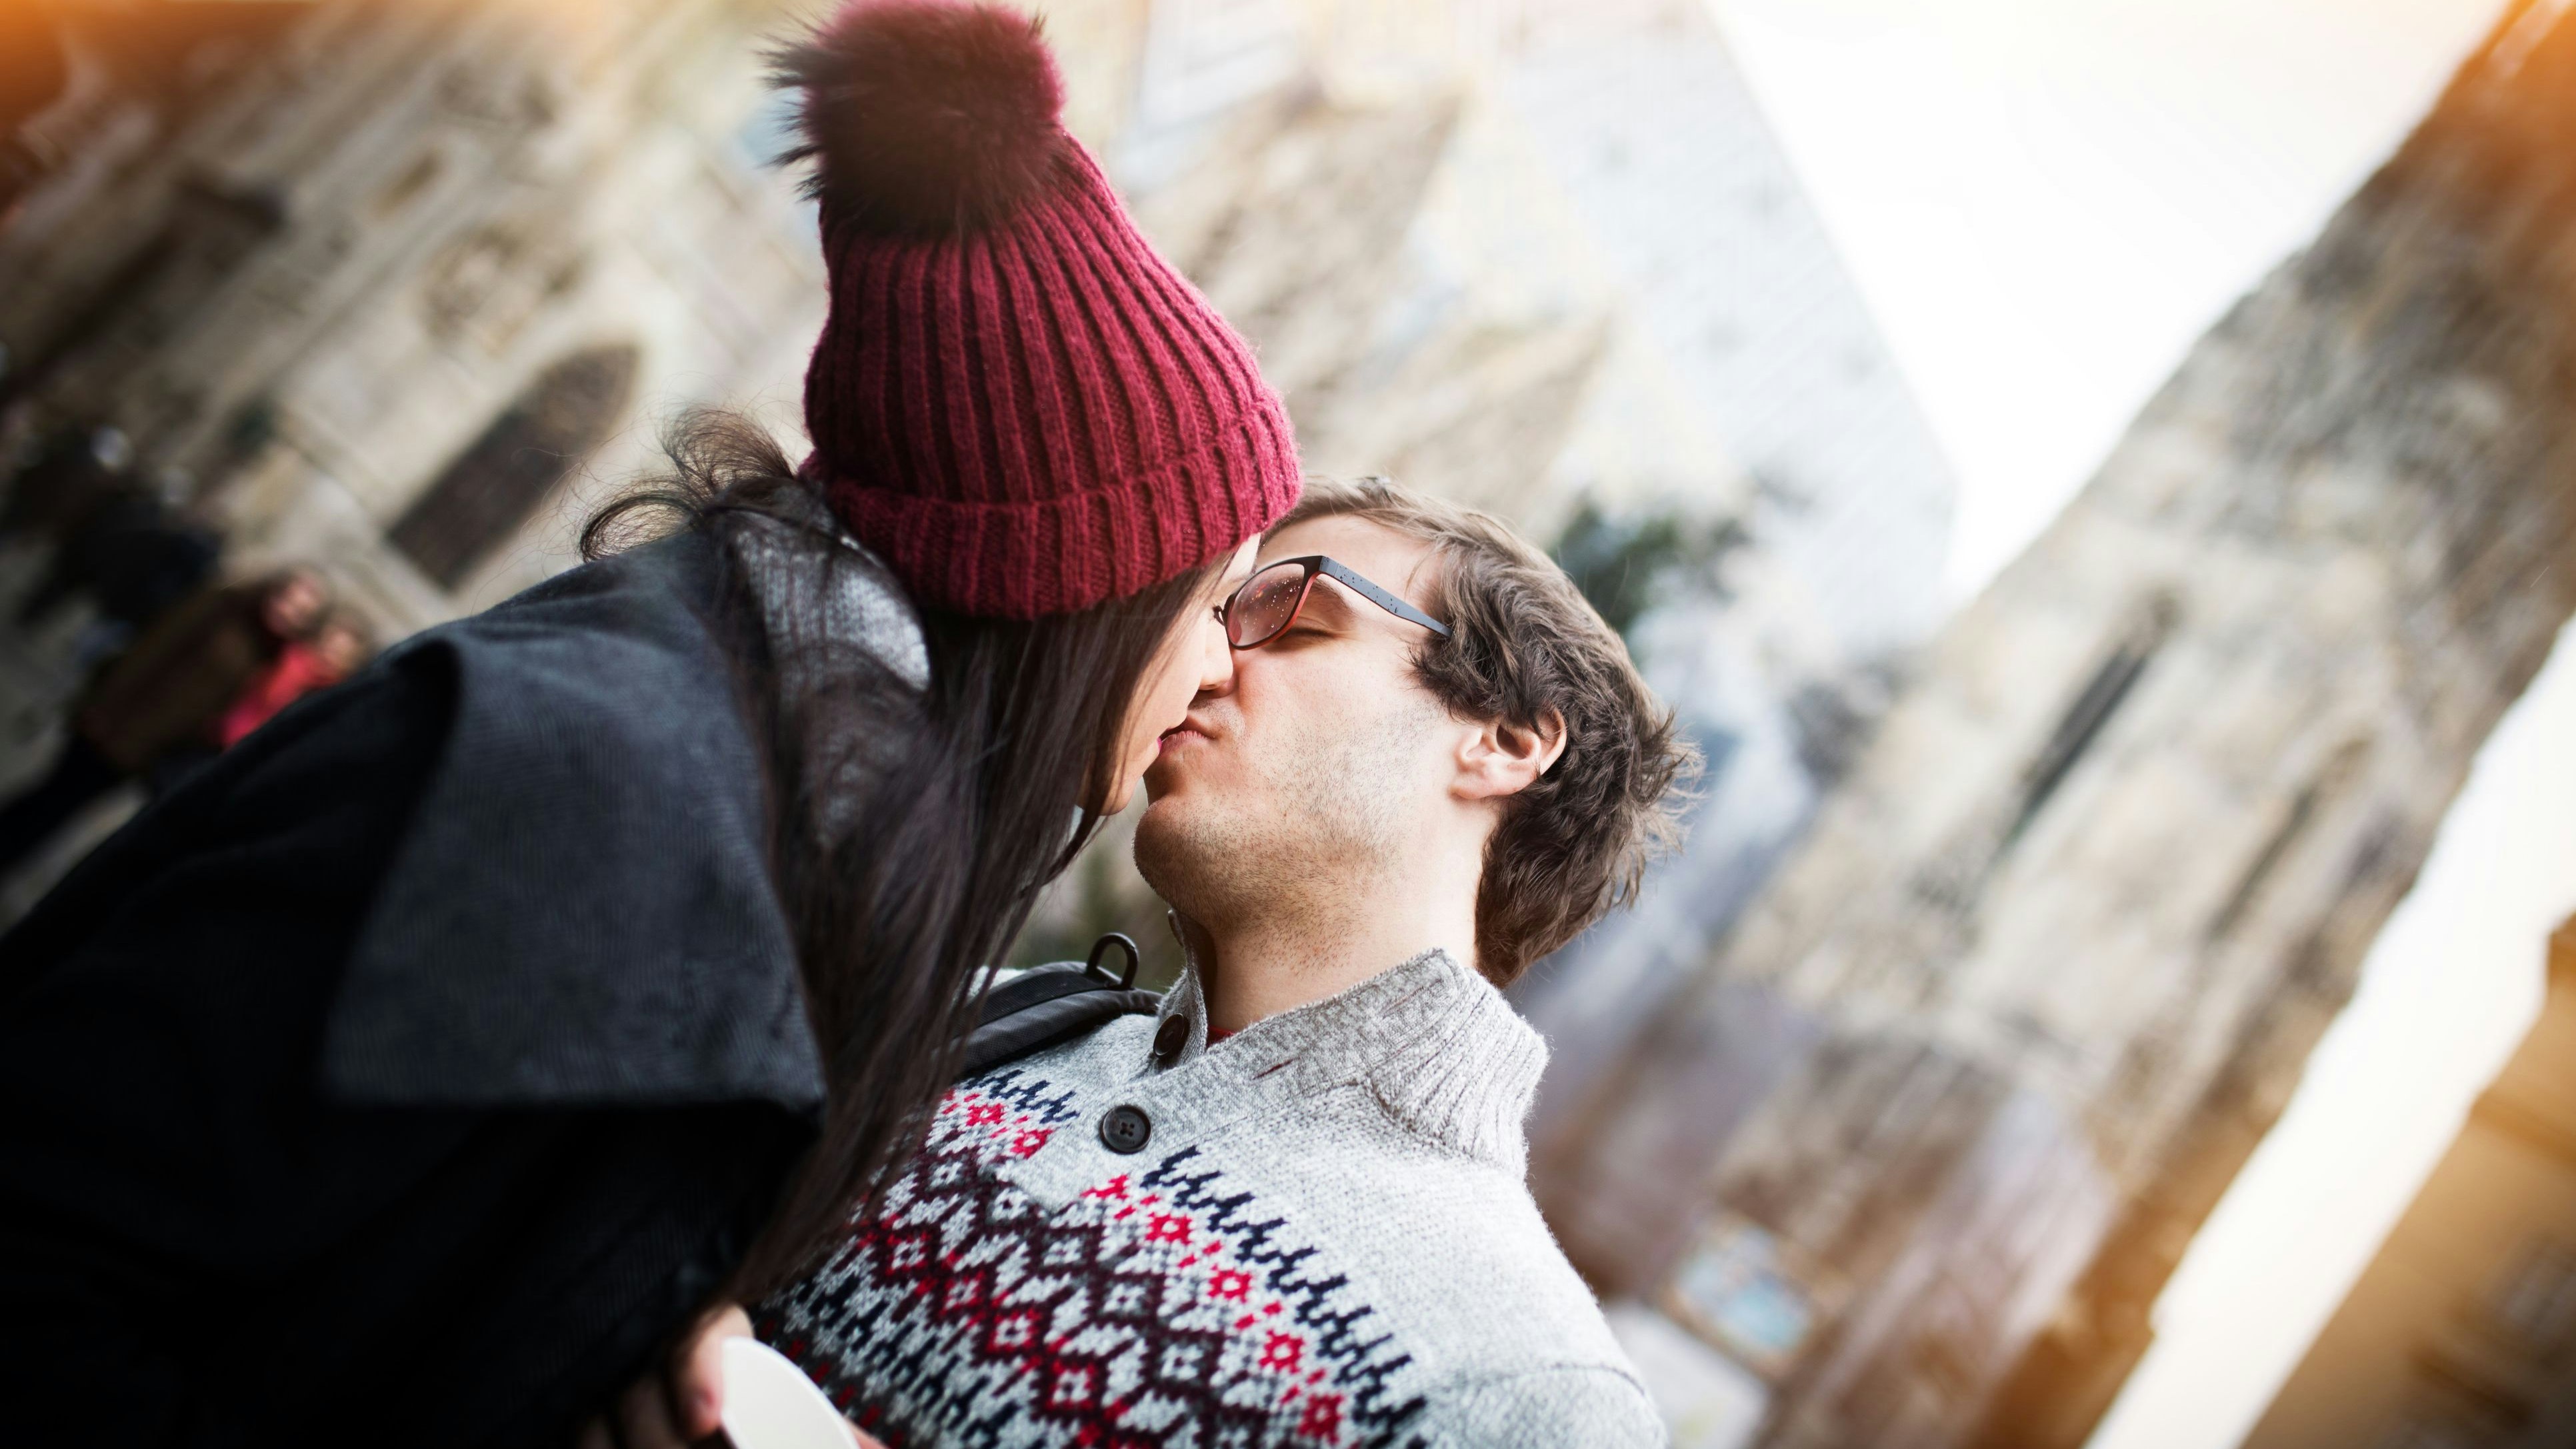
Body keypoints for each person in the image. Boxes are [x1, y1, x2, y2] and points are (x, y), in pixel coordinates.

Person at [0, 3, 1302, 1445]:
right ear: (1068, 593)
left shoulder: (769, 811)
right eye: (1219, 599)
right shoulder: (607, 785)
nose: (1223, 665)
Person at [758, 477, 1699, 1444]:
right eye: (1209, 618)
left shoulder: (1529, 1391)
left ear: (1507, 739)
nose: (1200, 667)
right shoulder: (962, 1019)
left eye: (1292, 621)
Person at [0, 567, 325, 877]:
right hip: (116, 725)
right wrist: (106, 707)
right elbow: (153, 650)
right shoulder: (224, 607)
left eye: (301, 613)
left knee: (60, 812)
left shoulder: (269, 656)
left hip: (144, 754)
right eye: (289, 600)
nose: (288, 613)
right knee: (48, 801)